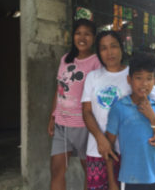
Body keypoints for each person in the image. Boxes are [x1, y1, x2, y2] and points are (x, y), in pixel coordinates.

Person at [81, 31, 155, 190]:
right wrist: (100, 138)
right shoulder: (93, 77)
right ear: (98, 52)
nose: (109, 52)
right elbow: (86, 112)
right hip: (98, 149)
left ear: (121, 48)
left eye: (113, 46)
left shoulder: (136, 74)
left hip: (128, 154)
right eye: (103, 48)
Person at [47, 18, 101, 190]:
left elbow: (98, 95)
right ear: (73, 36)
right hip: (62, 124)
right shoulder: (65, 59)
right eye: (78, 33)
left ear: (94, 38)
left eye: (87, 34)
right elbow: (59, 89)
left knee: (90, 172)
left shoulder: (96, 62)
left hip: (85, 125)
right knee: (56, 171)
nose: (82, 37)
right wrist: (52, 116)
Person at [106, 52, 155, 190]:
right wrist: (111, 182)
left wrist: (152, 117)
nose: (144, 83)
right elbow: (108, 149)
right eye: (139, 78)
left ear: (154, 81)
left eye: (149, 78)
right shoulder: (119, 108)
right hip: (131, 179)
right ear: (129, 80)